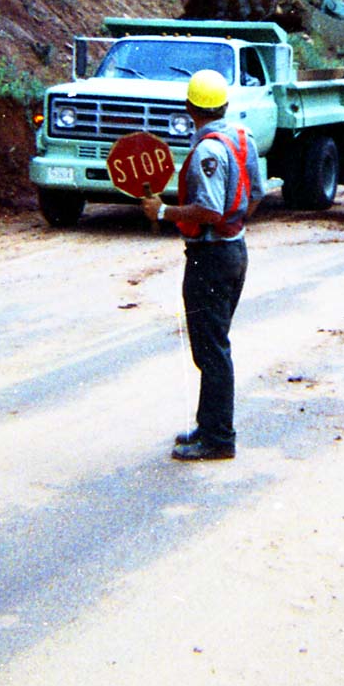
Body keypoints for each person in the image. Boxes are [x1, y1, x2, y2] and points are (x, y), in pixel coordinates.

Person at [142, 70, 263, 461]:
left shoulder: (209, 151)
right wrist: (235, 222)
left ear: (190, 109)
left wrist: (163, 210)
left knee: (210, 351)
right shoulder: (243, 140)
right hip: (234, 251)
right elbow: (256, 194)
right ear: (225, 105)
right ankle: (209, 427)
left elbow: (209, 209)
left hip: (210, 257)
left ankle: (218, 439)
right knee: (214, 346)